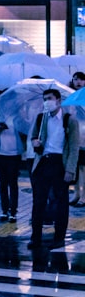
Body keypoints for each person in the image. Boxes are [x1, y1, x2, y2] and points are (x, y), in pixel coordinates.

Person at [29, 89, 81, 250]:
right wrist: (35, 143)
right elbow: (34, 137)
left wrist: (70, 170)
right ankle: (35, 237)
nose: (47, 102)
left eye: (50, 99)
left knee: (61, 203)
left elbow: (74, 147)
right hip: (43, 162)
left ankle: (59, 238)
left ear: (58, 100)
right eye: (45, 99)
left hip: (60, 163)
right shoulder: (41, 118)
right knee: (38, 202)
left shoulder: (69, 120)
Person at [0, 101, 23, 224]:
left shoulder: (18, 114)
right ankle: (4, 210)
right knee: (3, 182)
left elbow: (25, 129)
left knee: (13, 182)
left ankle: (13, 212)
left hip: (14, 153)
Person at [70, 72, 85, 207]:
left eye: (80, 79)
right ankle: (76, 194)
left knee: (83, 168)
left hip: (84, 136)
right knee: (75, 167)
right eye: (75, 79)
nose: (78, 82)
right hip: (75, 137)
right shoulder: (70, 96)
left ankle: (83, 196)